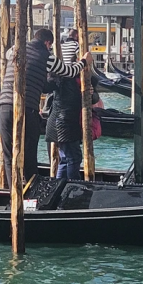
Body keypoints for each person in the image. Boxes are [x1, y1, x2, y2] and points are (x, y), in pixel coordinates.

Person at [0, 28, 91, 187]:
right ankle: (32, 192)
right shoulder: (47, 56)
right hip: (28, 109)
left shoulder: (15, 49)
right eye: (50, 46)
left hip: (4, 107)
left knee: (8, 155)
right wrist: (84, 61)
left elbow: (7, 55)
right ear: (47, 43)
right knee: (29, 156)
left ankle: (12, 193)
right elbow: (69, 71)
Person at [46, 29, 100, 180]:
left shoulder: (83, 79)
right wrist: (85, 94)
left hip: (64, 123)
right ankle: (71, 188)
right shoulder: (64, 79)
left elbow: (93, 99)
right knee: (73, 158)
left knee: (66, 158)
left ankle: (61, 185)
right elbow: (73, 100)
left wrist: (90, 93)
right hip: (64, 123)